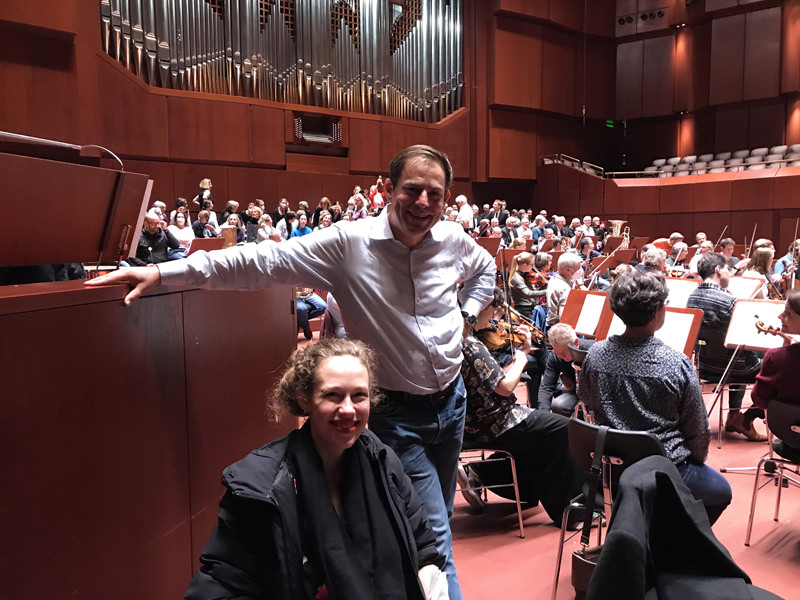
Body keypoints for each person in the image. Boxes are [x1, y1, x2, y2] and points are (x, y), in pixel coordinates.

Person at [85, 145, 496, 600]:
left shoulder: (455, 239)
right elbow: (259, 261)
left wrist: (465, 312)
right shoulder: (347, 244)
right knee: (436, 541)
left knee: (415, 528)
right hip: (394, 413)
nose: (422, 204)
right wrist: (164, 273)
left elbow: (486, 269)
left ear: (447, 198)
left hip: (451, 404)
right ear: (387, 189)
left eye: (434, 195)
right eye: (412, 190)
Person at [185, 339, 449, 600]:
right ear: (304, 398)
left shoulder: (382, 461)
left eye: (359, 395)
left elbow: (424, 549)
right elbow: (218, 588)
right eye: (332, 395)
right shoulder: (261, 485)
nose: (348, 409)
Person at [578, 270, 732, 525]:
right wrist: (694, 461)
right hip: (664, 468)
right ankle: (670, 541)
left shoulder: (595, 355)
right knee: (720, 492)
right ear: (658, 312)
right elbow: (697, 430)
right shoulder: (676, 363)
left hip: (611, 467)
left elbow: (586, 400)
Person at [458, 290, 584, 526]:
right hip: (495, 420)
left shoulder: (456, 339)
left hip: (472, 420)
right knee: (565, 429)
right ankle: (572, 514)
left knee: (538, 437)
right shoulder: (471, 345)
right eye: (492, 310)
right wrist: (523, 355)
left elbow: (494, 380)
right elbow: (505, 387)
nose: (495, 316)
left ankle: (484, 473)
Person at [686, 253, 765, 441]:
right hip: (733, 368)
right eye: (728, 270)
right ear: (718, 270)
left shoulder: (691, 298)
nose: (730, 275)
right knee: (779, 370)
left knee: (739, 353)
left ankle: (732, 417)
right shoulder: (729, 302)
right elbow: (751, 330)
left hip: (705, 366)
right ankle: (746, 419)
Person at [751, 288, 800, 460]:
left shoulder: (776, 357)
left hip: (793, 439)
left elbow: (759, 400)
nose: (780, 317)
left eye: (788, 314)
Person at [538, 323, 591, 416]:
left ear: (576, 342)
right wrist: (543, 415)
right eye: (558, 353)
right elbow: (546, 386)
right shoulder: (555, 356)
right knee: (558, 405)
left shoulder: (593, 350)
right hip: (577, 392)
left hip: (597, 395)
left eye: (564, 353)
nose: (561, 357)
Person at [507, 252, 545, 321]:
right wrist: (547, 292)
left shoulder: (524, 275)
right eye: (531, 265)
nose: (532, 267)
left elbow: (532, 291)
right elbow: (528, 294)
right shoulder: (516, 278)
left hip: (528, 308)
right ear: (524, 265)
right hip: (523, 310)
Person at [546, 253, 579, 328]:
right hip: (559, 330)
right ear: (568, 270)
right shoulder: (565, 289)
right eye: (576, 269)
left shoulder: (553, 280)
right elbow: (564, 319)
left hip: (551, 325)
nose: (578, 272)